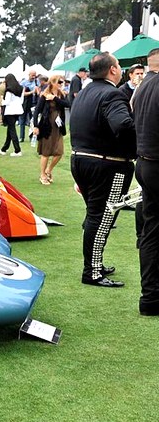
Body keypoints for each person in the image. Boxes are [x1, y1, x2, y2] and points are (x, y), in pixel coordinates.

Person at [69, 51, 136, 288]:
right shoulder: (112, 95)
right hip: (107, 165)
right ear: (113, 70)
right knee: (102, 218)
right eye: (118, 65)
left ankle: (94, 263)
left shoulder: (85, 92)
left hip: (81, 160)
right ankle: (92, 271)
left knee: (94, 216)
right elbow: (124, 126)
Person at [131, 47, 159, 313]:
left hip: (145, 163)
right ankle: (151, 296)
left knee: (151, 231)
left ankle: (150, 297)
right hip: (154, 162)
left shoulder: (141, 87)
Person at [33, 75, 70, 185]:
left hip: (58, 127)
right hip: (46, 126)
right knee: (46, 152)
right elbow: (37, 111)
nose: (61, 84)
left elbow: (68, 104)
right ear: (53, 82)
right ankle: (42, 174)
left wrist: (54, 98)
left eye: (62, 82)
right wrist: (35, 126)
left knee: (59, 152)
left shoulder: (61, 94)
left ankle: (48, 170)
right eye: (59, 82)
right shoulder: (44, 95)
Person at [0, 73, 24, 156]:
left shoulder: (9, 90)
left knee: (12, 130)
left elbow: (7, 102)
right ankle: (4, 148)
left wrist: (2, 100)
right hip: (18, 110)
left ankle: (17, 150)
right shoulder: (21, 88)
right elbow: (21, 101)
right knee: (10, 129)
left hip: (10, 111)